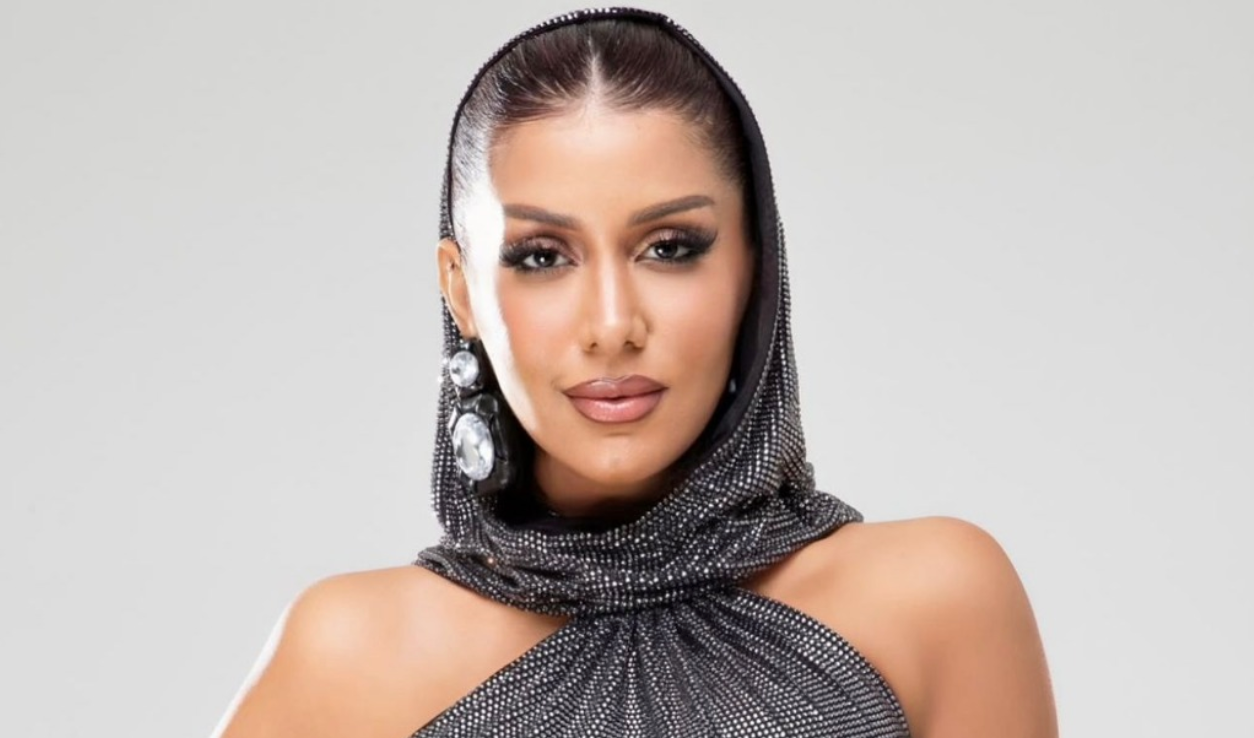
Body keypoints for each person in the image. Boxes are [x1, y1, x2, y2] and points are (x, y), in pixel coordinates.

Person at [214, 8, 1057, 737]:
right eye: (542, 257)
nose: (613, 326)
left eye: (670, 248)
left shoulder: (938, 603)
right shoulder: (347, 660)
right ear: (461, 290)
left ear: (755, 267)